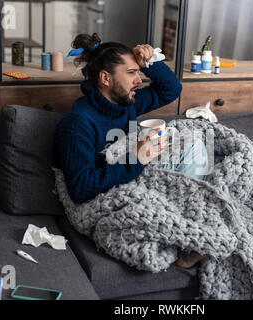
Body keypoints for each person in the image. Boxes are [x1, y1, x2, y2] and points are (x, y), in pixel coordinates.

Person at [54, 33, 207, 267]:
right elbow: (80, 187)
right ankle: (183, 238)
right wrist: (136, 158)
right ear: (105, 78)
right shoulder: (79, 123)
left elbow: (171, 89)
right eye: (131, 73)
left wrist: (150, 61)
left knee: (195, 143)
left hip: (136, 173)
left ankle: (190, 223)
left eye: (138, 71)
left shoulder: (127, 103)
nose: (139, 80)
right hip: (111, 191)